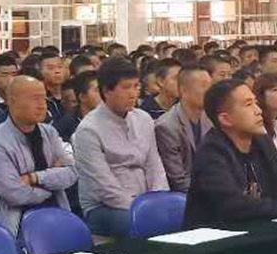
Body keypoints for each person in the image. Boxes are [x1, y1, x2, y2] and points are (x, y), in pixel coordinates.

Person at [185, 80, 277, 226]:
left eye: (256, 103)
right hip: (215, 235)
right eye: (248, 105)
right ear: (226, 119)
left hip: (258, 228)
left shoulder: (261, 141)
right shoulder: (211, 153)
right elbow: (232, 206)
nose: (258, 110)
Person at [74, 58, 169, 236]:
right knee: (144, 223)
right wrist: (143, 209)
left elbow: (154, 165)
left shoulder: (143, 119)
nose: (133, 94)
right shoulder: (88, 130)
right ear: (106, 91)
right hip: (104, 208)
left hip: (144, 199)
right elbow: (104, 187)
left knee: (182, 213)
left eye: (136, 86)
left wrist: (159, 200)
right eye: (126, 87)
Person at [0, 76, 78, 235]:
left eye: (44, 98)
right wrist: (51, 188)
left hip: (57, 214)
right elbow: (14, 194)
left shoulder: (49, 132)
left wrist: (35, 178)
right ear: (12, 101)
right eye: (35, 99)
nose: (42, 105)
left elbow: (72, 172)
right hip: (17, 226)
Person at [155, 65, 213, 193]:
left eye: (211, 85)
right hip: (186, 195)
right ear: (183, 90)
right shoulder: (167, 126)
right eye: (204, 86)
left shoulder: (212, 117)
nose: (210, 91)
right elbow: (178, 181)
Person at [54, 71, 100, 143]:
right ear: (82, 97)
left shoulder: (110, 117)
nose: (103, 93)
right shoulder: (66, 123)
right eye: (97, 90)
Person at [39, 51, 65, 122]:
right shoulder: (40, 97)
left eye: (60, 67)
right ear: (40, 71)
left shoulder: (71, 92)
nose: (57, 71)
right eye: (51, 68)